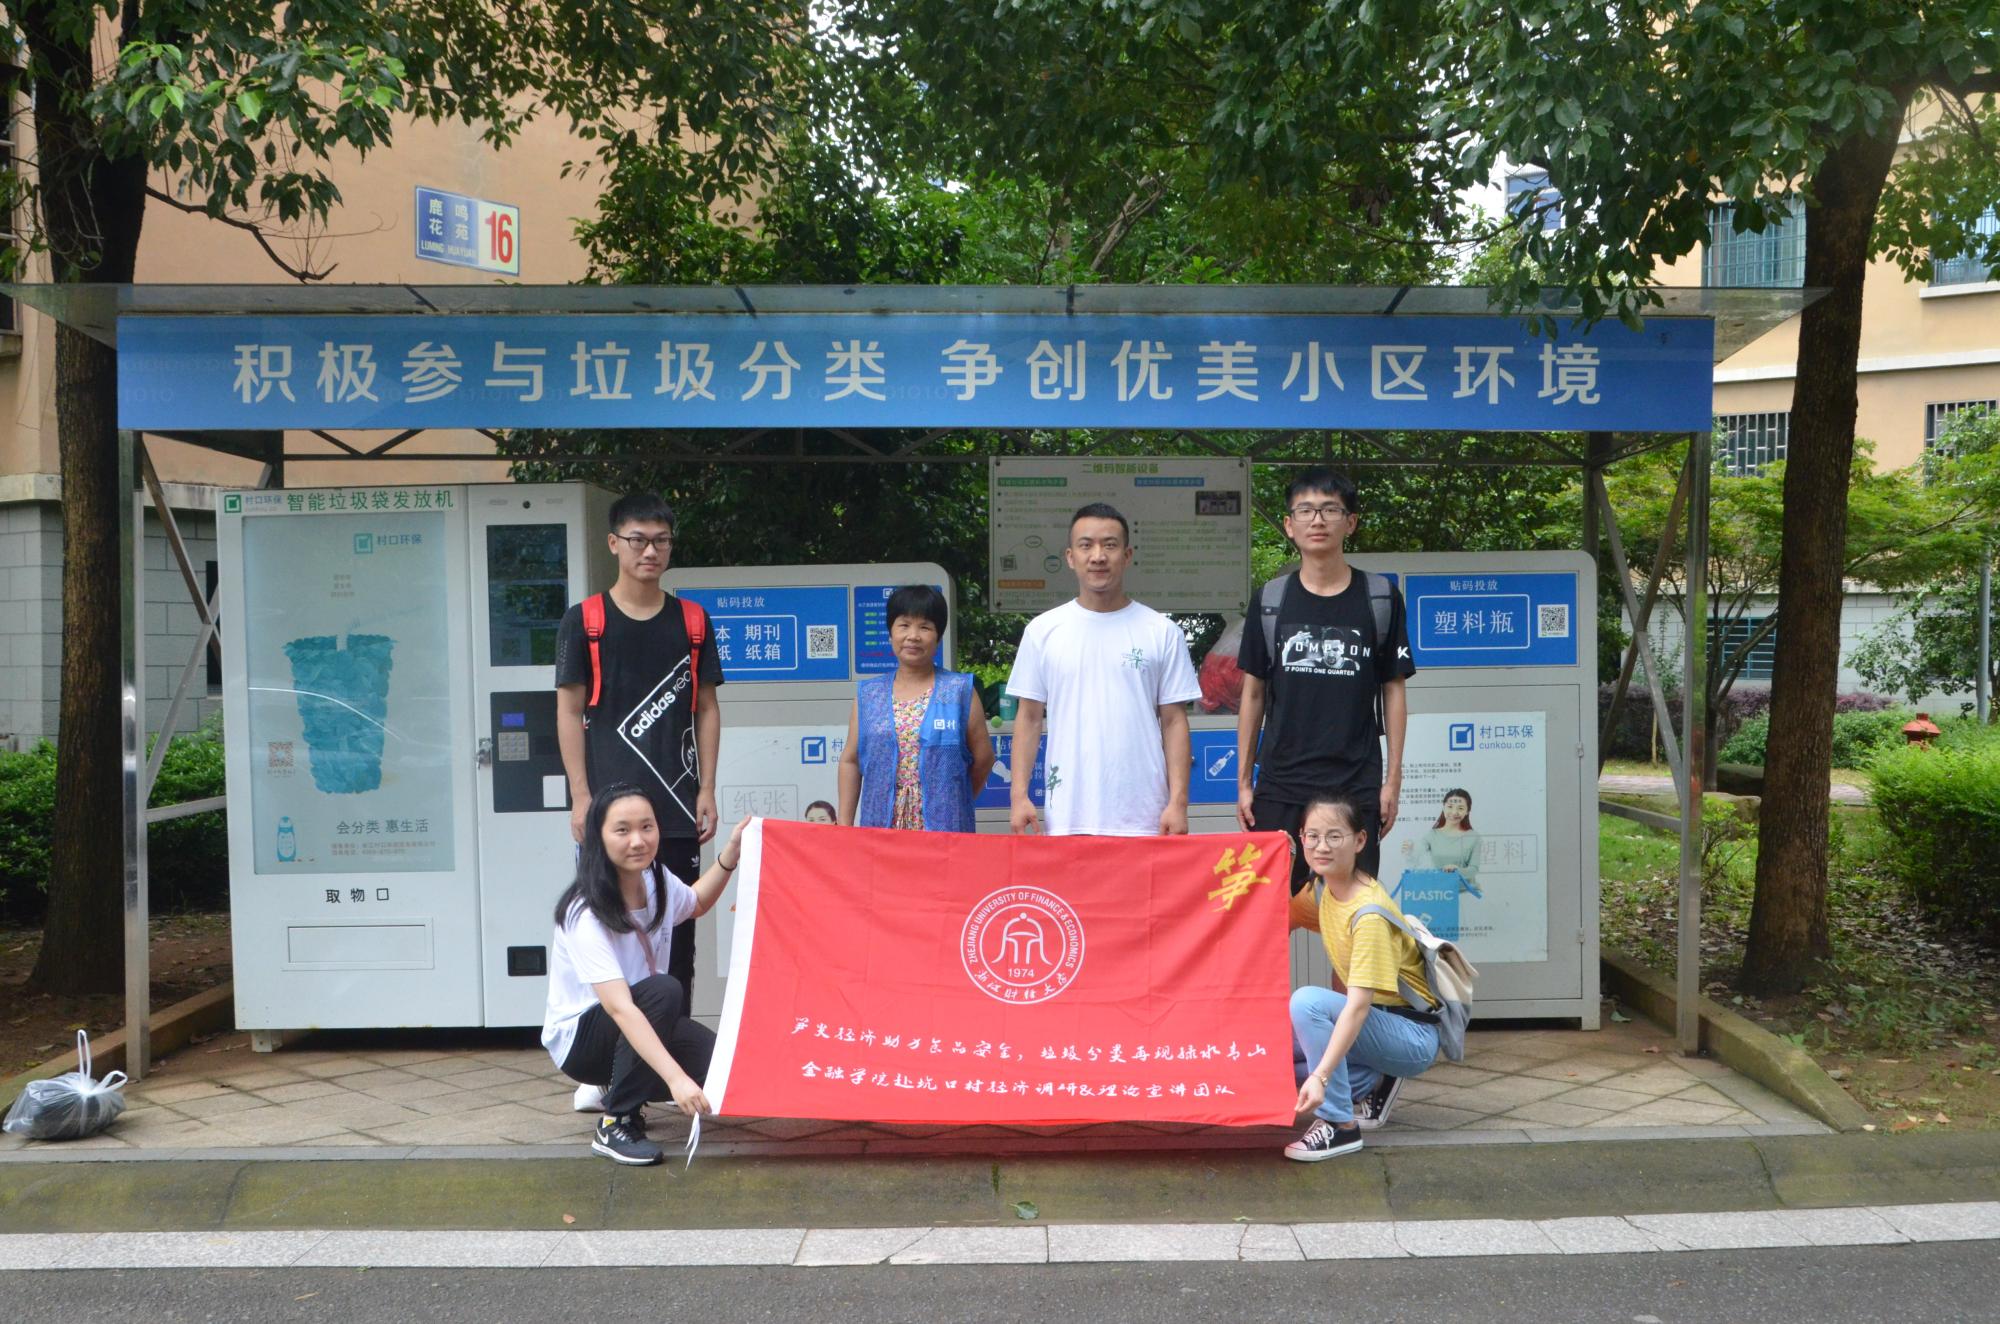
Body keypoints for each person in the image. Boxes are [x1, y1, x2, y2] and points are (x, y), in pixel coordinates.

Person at [554, 493, 724, 1011]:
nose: (650, 551)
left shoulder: (692, 621)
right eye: (638, 540)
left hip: (675, 809)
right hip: (609, 813)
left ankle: (672, 1045)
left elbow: (707, 708)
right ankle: (610, 1048)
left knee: (679, 940)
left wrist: (707, 788)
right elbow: (568, 711)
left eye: (661, 541)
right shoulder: (584, 621)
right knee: (605, 931)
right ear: (614, 543)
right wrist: (581, 797)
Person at [543, 784, 746, 1166]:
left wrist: (730, 855)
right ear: (598, 837)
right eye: (622, 830)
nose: (638, 840)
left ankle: (620, 1084)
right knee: (664, 990)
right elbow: (620, 1008)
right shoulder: (583, 913)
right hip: (582, 1041)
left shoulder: (655, 879)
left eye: (647, 827)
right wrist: (675, 1079)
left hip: (637, 1020)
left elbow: (696, 902)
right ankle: (616, 1121)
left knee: (720, 1071)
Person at [1235, 468, 1414, 890]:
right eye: (1306, 510)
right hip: (1281, 783)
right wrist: (1243, 782)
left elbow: (1394, 689)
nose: (1317, 520)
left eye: (1330, 510)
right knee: (1273, 908)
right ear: (1289, 524)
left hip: (1355, 782)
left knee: (1353, 907)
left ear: (1350, 522)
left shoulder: (1380, 598)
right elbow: (1253, 693)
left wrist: (1392, 781)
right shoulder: (1271, 600)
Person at [1006, 503, 1202, 837]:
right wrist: (1019, 796)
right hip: (1068, 815)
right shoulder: (1043, 631)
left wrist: (1178, 802)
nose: (1098, 556)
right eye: (1086, 545)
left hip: (1145, 817)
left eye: (1109, 545)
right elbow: (1029, 717)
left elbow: (1173, 721)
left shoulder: (1161, 631)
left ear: (1127, 555)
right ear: (1071, 557)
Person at [1284, 792, 1442, 1161]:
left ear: (1359, 840)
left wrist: (1321, 1078)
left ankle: (1340, 1126)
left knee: (1307, 1004)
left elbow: (1356, 1008)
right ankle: (1370, 1080)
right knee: (1275, 1048)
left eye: (1334, 836)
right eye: (1312, 836)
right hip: (1376, 1028)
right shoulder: (1320, 889)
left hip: (1409, 1035)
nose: (1322, 846)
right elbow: (1276, 922)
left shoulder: (1368, 914)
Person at [838, 585, 995, 831]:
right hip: (881, 830)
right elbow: (850, 760)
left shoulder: (959, 691)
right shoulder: (869, 694)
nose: (913, 636)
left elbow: (983, 758)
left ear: (938, 637)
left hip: (944, 834)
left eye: (925, 627)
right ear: (890, 633)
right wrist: (844, 825)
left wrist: (954, 799)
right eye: (904, 625)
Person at [1405, 788, 1482, 896]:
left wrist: (1458, 871)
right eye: (1450, 807)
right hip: (1440, 893)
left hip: (1466, 893)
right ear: (1443, 807)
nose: (1454, 812)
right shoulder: (1432, 835)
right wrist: (1410, 850)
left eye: (1460, 808)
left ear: (1467, 811)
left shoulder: (1473, 837)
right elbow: (1416, 856)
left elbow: (1474, 869)